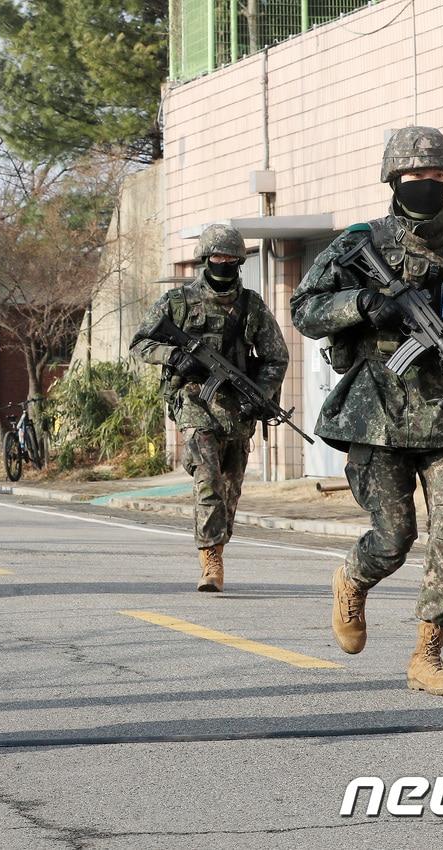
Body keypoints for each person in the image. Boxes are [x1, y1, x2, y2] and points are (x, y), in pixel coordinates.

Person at [291, 126, 443, 696]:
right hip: (378, 415)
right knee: (394, 537)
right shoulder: (359, 241)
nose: (429, 186)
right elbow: (306, 309)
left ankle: (428, 654)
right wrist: (364, 303)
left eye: (440, 177)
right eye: (418, 177)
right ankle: (352, 578)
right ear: (395, 180)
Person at [130, 224, 289, 592]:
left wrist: (260, 394)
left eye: (232, 259)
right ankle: (210, 560)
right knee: (208, 480)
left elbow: (275, 357)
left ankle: (218, 542)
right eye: (218, 258)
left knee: (231, 487)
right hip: (194, 403)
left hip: (237, 411)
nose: (225, 264)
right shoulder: (178, 302)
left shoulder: (252, 305)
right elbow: (140, 343)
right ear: (206, 259)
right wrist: (174, 356)